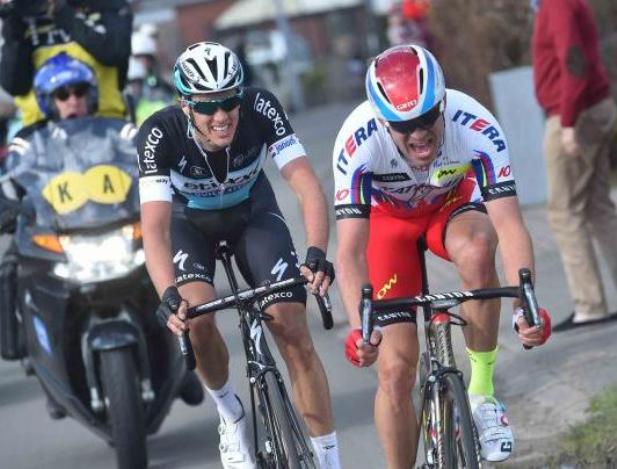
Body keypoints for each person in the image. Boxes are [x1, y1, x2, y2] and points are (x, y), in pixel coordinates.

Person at [333, 44, 552, 467]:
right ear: (382, 120)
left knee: (478, 249)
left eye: (427, 119)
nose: (419, 134)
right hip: (386, 225)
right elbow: (349, 251)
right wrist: (361, 327)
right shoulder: (356, 141)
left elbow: (509, 225)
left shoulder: (475, 124)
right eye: (403, 125)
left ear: (444, 104)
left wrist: (526, 304)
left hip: (450, 209)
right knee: (395, 372)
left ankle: (482, 394)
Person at [136, 42, 341, 469]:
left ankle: (329, 460)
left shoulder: (261, 106)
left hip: (252, 214)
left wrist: (317, 251)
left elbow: (304, 182)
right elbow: (153, 229)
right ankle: (230, 414)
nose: (222, 116)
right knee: (197, 318)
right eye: (208, 107)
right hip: (188, 224)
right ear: (184, 104)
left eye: (230, 101)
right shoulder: (159, 133)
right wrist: (168, 296)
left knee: (291, 326)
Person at [0, 52, 136, 417]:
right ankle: (36, 361)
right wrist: (8, 208)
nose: (72, 99)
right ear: (49, 102)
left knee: (169, 249)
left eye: (79, 91)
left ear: (91, 94)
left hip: (116, 230)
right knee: (12, 266)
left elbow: (147, 164)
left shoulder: (119, 132)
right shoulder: (29, 143)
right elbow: (11, 182)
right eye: (63, 94)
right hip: (63, 239)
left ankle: (188, 349)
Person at [531, 0, 617, 331]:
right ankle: (593, 303)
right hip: (592, 107)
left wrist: (567, 122)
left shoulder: (556, 4)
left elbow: (574, 60)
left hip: (574, 115)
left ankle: (590, 305)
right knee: (598, 208)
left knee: (564, 211)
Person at [0, 0, 132, 128]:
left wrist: (61, 11)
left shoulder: (107, 5)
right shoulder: (22, 13)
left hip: (105, 126)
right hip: (42, 134)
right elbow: (15, 86)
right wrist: (13, 22)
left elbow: (115, 53)